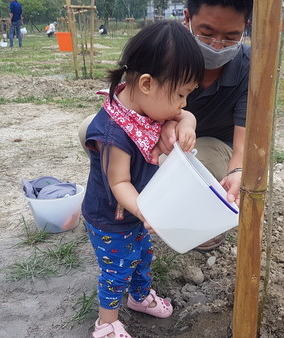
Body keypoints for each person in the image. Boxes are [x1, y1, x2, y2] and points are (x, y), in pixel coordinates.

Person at [80, 0, 252, 252]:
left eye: (230, 37)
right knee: (92, 131)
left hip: (211, 146)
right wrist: (145, 210)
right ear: (188, 19)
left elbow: (241, 144)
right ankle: (132, 197)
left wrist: (236, 171)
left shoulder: (248, 68)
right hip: (161, 145)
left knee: (195, 169)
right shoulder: (167, 54)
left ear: (245, 27)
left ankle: (188, 215)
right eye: (206, 33)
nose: (216, 45)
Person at [82, 20, 203, 338]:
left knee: (142, 255)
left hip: (136, 211)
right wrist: (145, 209)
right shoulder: (114, 132)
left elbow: (184, 115)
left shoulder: (147, 107)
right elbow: (119, 183)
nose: (184, 103)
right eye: (181, 94)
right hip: (110, 218)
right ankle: (106, 323)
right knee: (116, 269)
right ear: (147, 84)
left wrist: (187, 123)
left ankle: (138, 298)